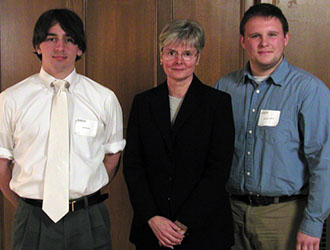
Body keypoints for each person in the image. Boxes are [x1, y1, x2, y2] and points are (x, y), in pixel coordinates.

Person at [0, 9, 125, 250]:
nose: (60, 47)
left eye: (69, 39)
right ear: (38, 46)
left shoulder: (103, 99)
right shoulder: (10, 100)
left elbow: (112, 156)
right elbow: (2, 163)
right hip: (32, 219)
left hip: (88, 219)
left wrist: (85, 191)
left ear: (79, 49)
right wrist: (28, 205)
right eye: (51, 38)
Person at [215, 3, 330, 250]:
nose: (264, 43)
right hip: (230, 214)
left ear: (286, 39)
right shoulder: (224, 88)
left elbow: (324, 161)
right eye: (255, 36)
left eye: (272, 35)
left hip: (284, 217)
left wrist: (312, 223)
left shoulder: (310, 91)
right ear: (243, 41)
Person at [123, 19, 235, 250]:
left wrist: (184, 223)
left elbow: (218, 170)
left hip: (204, 230)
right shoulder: (143, 103)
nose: (178, 61)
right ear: (161, 56)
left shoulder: (218, 104)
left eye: (187, 53)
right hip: (152, 230)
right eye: (171, 52)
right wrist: (153, 217)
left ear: (198, 58)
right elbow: (133, 166)